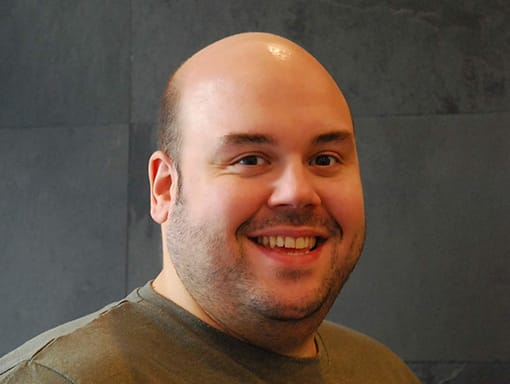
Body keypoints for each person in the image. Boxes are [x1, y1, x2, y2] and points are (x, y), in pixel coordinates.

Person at [0, 32, 420, 383]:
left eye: (324, 159)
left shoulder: (382, 372)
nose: (298, 193)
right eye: (250, 159)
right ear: (164, 188)